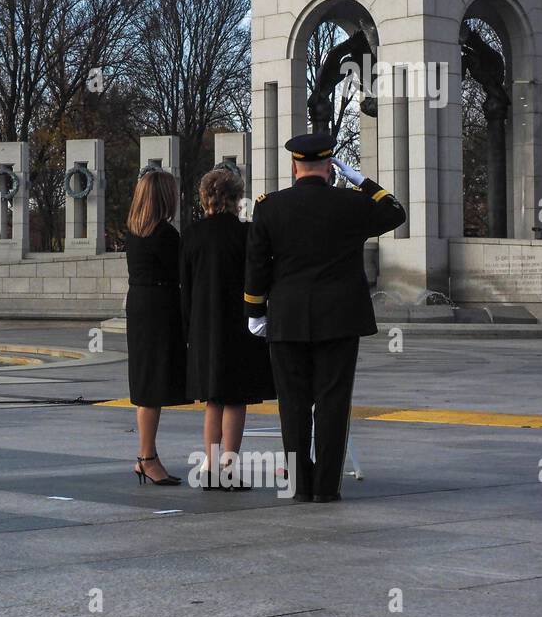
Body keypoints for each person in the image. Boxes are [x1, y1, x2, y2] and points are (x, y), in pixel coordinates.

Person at [244, 133, 406, 503]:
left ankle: (300, 486)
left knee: (293, 404)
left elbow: (257, 265)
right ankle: (327, 487)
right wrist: (361, 181)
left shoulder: (270, 207)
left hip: (287, 318)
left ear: (294, 165)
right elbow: (395, 212)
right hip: (339, 319)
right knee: (333, 403)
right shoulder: (350, 203)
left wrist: (254, 311)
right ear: (331, 167)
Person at [181, 167, 275, 491]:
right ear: (237, 199)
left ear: (205, 197)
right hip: (240, 326)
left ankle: (209, 465)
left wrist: (188, 330)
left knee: (213, 398)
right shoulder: (247, 233)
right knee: (236, 399)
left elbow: (186, 287)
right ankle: (228, 467)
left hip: (204, 328)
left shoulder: (191, 234)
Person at [124, 168, 188, 485]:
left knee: (147, 382)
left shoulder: (134, 232)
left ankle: (148, 455)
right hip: (159, 306)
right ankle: (147, 457)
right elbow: (182, 274)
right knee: (152, 385)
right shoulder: (166, 235)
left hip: (139, 303)